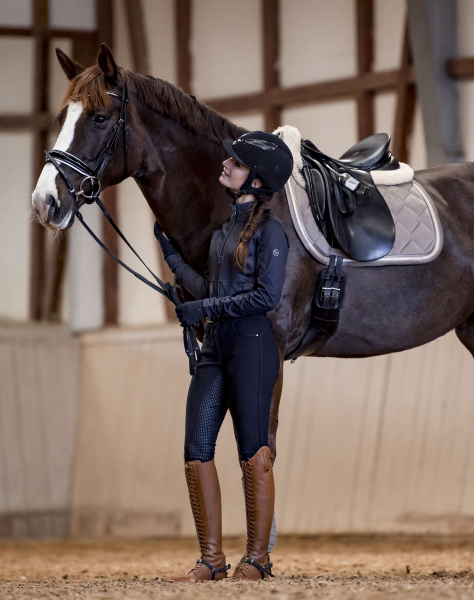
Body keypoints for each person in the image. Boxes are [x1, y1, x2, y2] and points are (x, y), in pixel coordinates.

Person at [154, 131, 293, 582]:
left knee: (254, 451)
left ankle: (258, 559)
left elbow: (266, 297)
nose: (226, 165)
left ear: (255, 181)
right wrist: (173, 261)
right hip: (214, 349)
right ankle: (211, 559)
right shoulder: (224, 232)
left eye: (235, 163)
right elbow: (210, 290)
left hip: (252, 349)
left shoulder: (272, 234)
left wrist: (205, 309)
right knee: (196, 449)